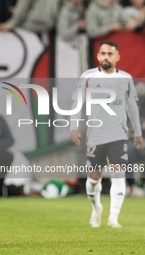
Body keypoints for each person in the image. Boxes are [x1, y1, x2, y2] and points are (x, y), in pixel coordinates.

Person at [70, 41, 142, 228]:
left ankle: (114, 218)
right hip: (96, 134)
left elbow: (132, 106)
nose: (106, 57)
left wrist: (138, 133)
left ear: (117, 57)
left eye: (110, 54)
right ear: (98, 56)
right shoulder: (88, 76)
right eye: (103, 53)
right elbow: (77, 103)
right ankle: (96, 209)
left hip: (119, 134)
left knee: (119, 173)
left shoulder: (125, 78)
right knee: (94, 178)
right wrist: (73, 126)